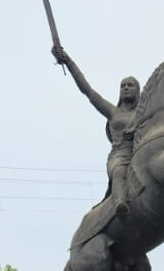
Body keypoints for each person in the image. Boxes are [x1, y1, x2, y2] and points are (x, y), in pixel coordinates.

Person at [52, 43, 140, 225]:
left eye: (130, 85)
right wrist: (68, 61)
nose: (125, 88)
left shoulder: (144, 112)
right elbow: (88, 91)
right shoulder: (113, 112)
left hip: (140, 154)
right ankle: (119, 203)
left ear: (138, 90)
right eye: (123, 85)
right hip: (120, 156)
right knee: (118, 171)